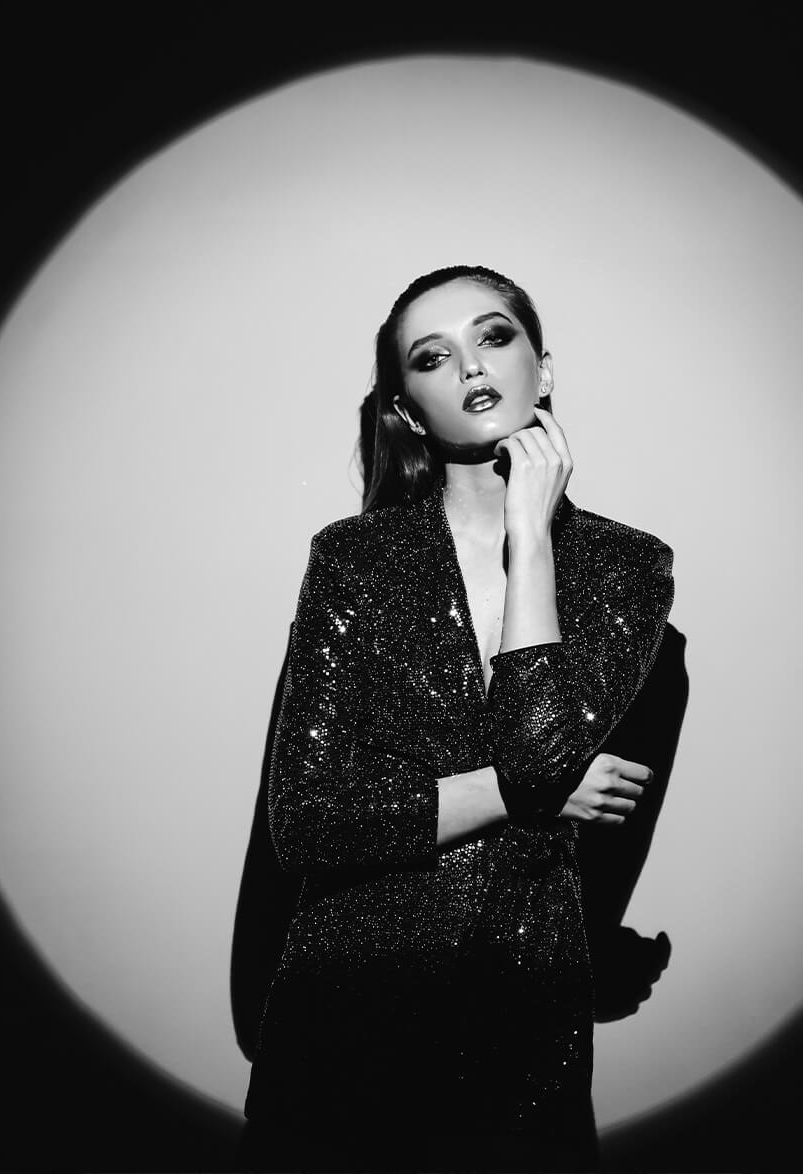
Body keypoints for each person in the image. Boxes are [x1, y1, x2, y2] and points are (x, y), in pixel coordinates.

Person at [237, 265, 675, 1173]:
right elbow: (307, 821)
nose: (472, 365)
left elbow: (537, 751)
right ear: (407, 408)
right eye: (433, 357)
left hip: (524, 1018)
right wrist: (517, 795)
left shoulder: (626, 566)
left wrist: (531, 536)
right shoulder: (355, 560)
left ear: (543, 369)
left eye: (495, 336)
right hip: (346, 1012)